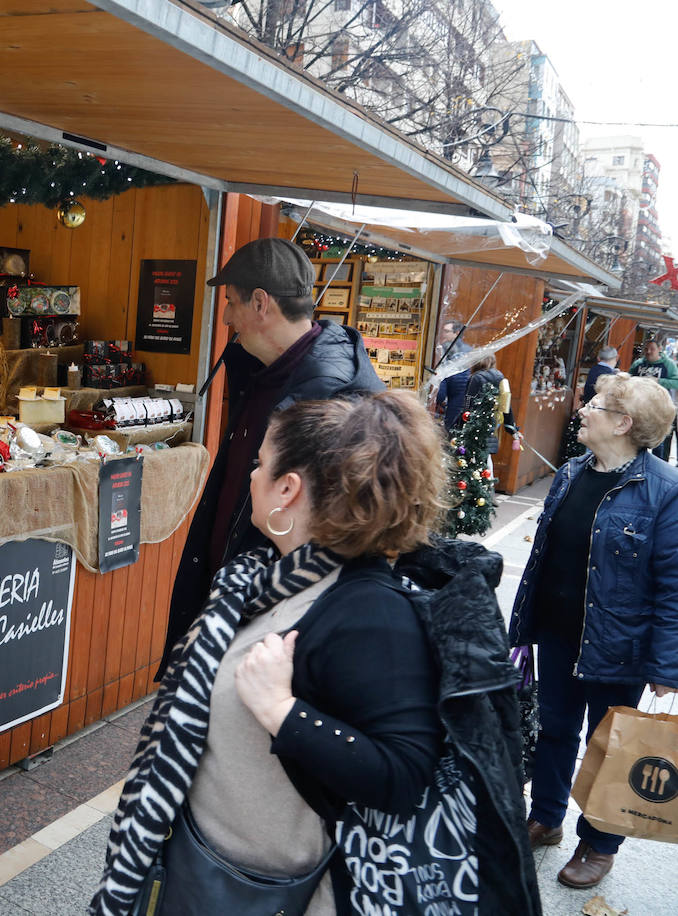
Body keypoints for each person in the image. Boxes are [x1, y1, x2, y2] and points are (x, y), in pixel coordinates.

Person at [93, 393, 541, 916]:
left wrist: (281, 711)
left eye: (261, 465)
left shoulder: (368, 611)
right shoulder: (275, 580)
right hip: (206, 863)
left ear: (288, 488)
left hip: (264, 893)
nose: (252, 477)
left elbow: (401, 775)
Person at [160, 238, 382, 675]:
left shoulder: (331, 401)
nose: (225, 317)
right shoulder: (264, 372)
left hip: (272, 628)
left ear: (260, 303)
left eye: (230, 302)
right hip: (234, 601)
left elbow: (338, 536)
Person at [510, 372, 678, 890]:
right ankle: (547, 819)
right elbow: (543, 557)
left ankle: (600, 843)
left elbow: (673, 585)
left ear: (623, 424)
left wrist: (666, 667)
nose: (582, 410)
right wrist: (524, 623)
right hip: (560, 634)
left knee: (609, 742)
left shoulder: (664, 492)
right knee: (555, 729)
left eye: (595, 405)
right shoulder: (571, 472)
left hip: (618, 644)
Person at [462, 353, 519, 475]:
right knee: (486, 458)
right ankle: (488, 485)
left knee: (472, 460)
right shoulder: (500, 376)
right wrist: (512, 428)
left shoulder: (475, 378)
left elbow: (468, 402)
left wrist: (463, 422)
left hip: (474, 425)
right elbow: (506, 404)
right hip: (492, 423)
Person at [627, 339, 678, 460]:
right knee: (637, 437)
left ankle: (659, 465)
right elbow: (628, 379)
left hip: (660, 409)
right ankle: (635, 461)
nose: (649, 352)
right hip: (639, 408)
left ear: (659, 349)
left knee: (659, 442)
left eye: (652, 349)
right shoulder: (638, 363)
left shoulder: (668, 364)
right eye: (646, 349)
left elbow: (676, 382)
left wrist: (658, 381)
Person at [434, 319, 472, 432]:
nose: (443, 334)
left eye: (446, 331)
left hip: (457, 394)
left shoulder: (465, 351)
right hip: (449, 394)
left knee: (451, 427)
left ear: (457, 333)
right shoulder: (442, 348)